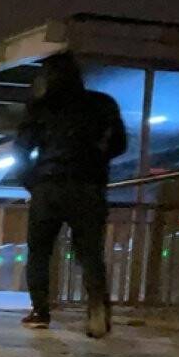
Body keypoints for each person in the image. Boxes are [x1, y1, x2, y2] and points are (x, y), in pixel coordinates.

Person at [14, 52, 127, 338]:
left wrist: (32, 180)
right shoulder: (102, 103)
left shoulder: (40, 108)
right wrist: (96, 162)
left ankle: (40, 311)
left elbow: (21, 149)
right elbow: (119, 143)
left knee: (40, 251)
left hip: (48, 186)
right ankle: (97, 308)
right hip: (88, 185)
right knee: (89, 252)